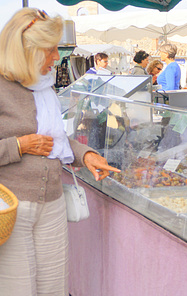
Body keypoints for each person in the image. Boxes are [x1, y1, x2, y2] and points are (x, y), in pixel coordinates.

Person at [0, 8, 120, 295]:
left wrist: (86, 155)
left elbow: (58, 141)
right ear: (25, 51)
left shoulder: (44, 87)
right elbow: (30, 143)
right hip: (12, 207)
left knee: (54, 287)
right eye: (50, 50)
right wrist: (18, 146)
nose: (57, 58)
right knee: (19, 290)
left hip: (53, 203)